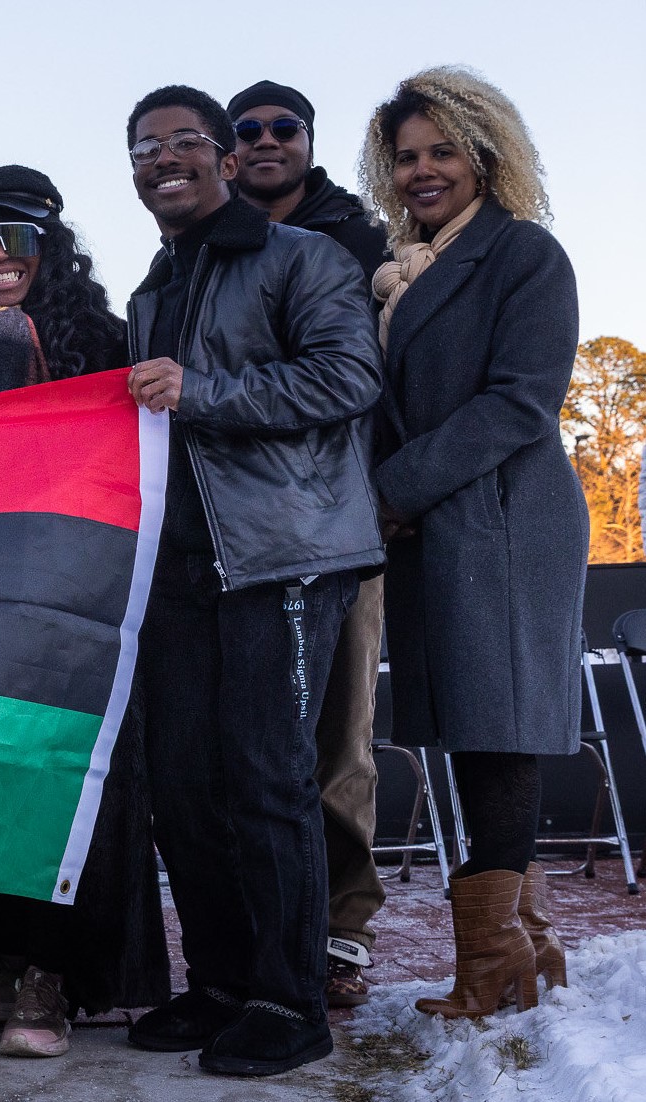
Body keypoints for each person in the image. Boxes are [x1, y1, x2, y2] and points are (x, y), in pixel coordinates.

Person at [121, 86, 382, 1077]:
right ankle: (224, 982)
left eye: (186, 140)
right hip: (181, 566)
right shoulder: (154, 287)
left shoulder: (302, 257)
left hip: (285, 552)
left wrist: (205, 390)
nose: (165, 158)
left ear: (227, 158)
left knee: (269, 779)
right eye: (146, 148)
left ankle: (289, 997)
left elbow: (347, 379)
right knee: (184, 784)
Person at [0, 166, 164, 1060]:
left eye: (17, 236)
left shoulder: (101, 337)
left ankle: (53, 978)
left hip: (70, 591)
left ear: (48, 244)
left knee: (62, 776)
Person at [361, 66, 582, 1020]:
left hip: (502, 515)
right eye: (405, 156)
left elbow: (521, 398)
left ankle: (489, 965)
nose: (421, 170)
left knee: (496, 731)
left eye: (441, 150)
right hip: (438, 521)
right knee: (464, 729)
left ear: (483, 153)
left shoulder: (524, 254)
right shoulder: (403, 266)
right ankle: (527, 944)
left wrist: (392, 491)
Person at [228, 78, 391, 1009]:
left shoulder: (359, 242)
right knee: (254, 749)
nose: (262, 142)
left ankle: (342, 927)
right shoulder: (195, 251)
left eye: (281, 127)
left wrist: (389, 492)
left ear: (307, 138)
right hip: (238, 534)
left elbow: (373, 380)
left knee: (338, 736)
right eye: (244, 130)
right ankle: (269, 931)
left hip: (339, 521)